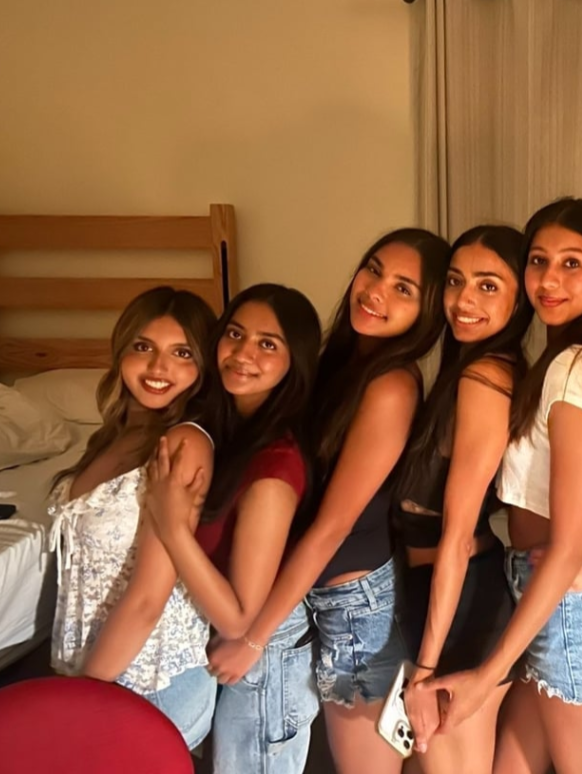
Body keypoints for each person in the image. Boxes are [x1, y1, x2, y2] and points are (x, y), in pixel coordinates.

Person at [208, 229, 450, 774]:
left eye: (404, 288)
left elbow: (332, 526)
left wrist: (252, 639)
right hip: (318, 593)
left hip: (355, 607)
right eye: (374, 269)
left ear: (427, 313)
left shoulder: (391, 386)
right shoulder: (337, 361)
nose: (376, 290)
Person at [426, 198, 582, 774]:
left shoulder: (577, 368)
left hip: (573, 607)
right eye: (539, 261)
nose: (549, 280)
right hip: (546, 595)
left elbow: (570, 545)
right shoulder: (556, 363)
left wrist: (487, 674)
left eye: (572, 264)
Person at [145, 283, 322, 774]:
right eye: (236, 334)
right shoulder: (221, 430)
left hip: (265, 654)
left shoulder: (274, 467)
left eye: (268, 344)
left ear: (294, 361)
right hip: (230, 643)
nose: (243, 354)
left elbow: (240, 617)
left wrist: (172, 529)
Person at [48, 286, 216, 749]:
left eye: (182, 353)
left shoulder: (184, 444)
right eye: (144, 347)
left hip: (150, 680)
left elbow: (147, 600)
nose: (158, 368)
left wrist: (80, 697)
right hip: (96, 669)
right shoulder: (111, 436)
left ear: (202, 366)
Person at [396, 225, 533, 773]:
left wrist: (427, 667)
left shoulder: (486, 376)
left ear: (519, 301)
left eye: (488, 285)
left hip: (458, 604)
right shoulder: (465, 371)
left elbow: (456, 533)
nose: (464, 299)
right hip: (439, 595)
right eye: (456, 281)